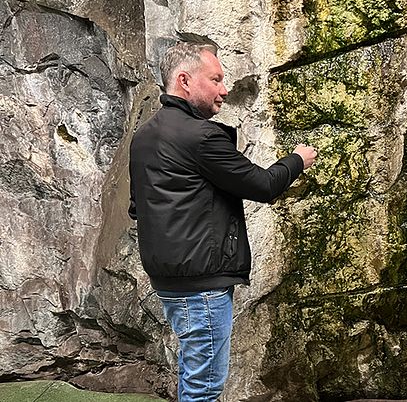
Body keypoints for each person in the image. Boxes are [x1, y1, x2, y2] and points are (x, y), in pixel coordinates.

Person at [128, 42, 317, 401]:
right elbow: (263, 185)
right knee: (204, 387)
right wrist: (297, 159)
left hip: (169, 280)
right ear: (184, 80)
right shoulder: (200, 137)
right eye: (215, 80)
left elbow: (138, 207)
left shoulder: (144, 137)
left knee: (195, 375)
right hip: (201, 284)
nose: (224, 90)